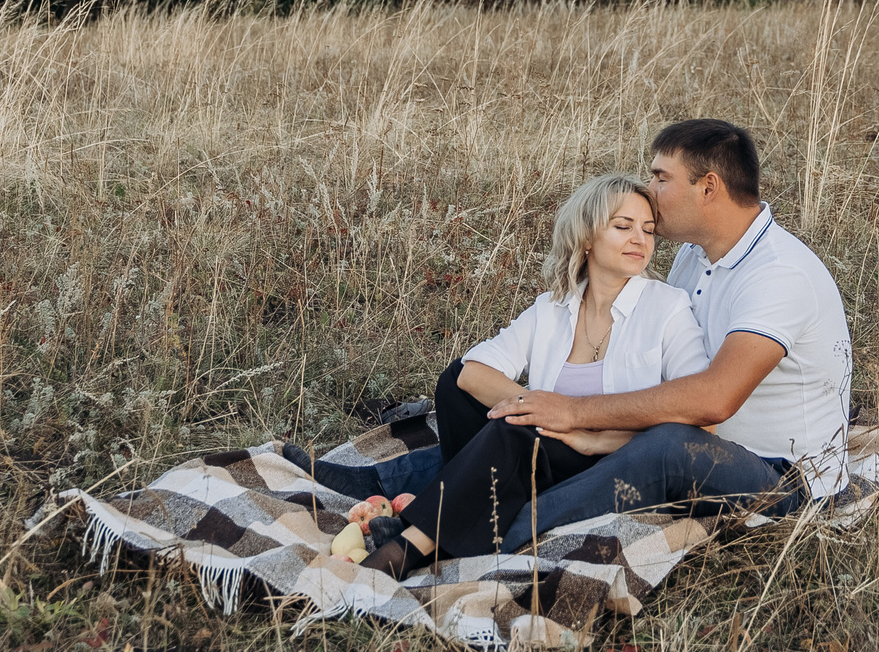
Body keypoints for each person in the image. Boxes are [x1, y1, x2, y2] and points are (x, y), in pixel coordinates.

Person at [364, 120, 853, 576]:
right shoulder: (692, 257)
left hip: (783, 479)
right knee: (492, 406)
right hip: (686, 444)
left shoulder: (778, 274)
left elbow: (713, 401)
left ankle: (469, 539)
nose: (651, 194)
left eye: (661, 178)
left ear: (708, 187)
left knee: (664, 445)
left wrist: (579, 415)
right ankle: (397, 495)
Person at [359, 174, 707, 577]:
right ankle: (472, 511)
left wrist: (590, 434)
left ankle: (409, 545)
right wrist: (538, 407)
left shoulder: (668, 307)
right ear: (587, 236)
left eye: (648, 230)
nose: (640, 239)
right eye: (623, 226)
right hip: (547, 449)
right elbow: (473, 373)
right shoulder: (555, 306)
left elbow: (697, 420)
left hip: (614, 459)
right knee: (454, 384)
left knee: (515, 429)